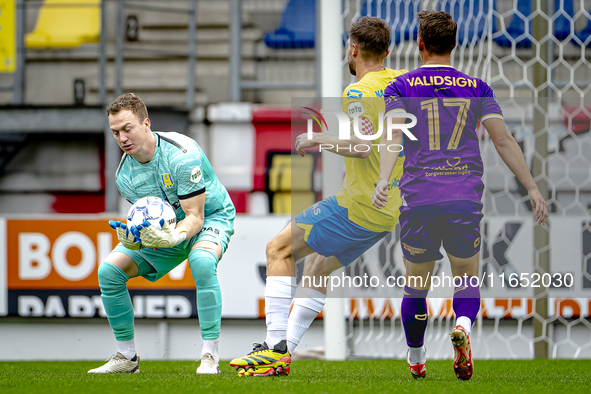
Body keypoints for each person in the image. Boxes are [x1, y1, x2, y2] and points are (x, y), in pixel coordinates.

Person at [372, 11, 548, 381]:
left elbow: (392, 136)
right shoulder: (478, 87)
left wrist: (383, 180)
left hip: (418, 198)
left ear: (419, 44)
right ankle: (464, 327)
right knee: (467, 276)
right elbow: (502, 140)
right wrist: (532, 188)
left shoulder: (400, 87)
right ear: (454, 45)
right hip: (462, 197)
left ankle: (417, 358)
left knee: (415, 285)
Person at [229, 16, 407, 377]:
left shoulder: (358, 92)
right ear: (387, 51)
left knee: (278, 249)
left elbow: (359, 148)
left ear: (353, 49)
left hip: (356, 203)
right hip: (387, 210)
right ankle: (284, 354)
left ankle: (272, 346)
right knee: (317, 265)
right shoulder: (400, 82)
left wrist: (317, 139)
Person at [88, 93, 235, 375]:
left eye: (127, 128)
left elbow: (195, 216)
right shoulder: (124, 177)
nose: (122, 137)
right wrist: (136, 237)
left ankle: (209, 356)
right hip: (170, 230)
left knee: (202, 262)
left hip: (211, 217)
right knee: (109, 271)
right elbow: (156, 219)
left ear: (146, 124)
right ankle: (127, 357)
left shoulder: (182, 155)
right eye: (115, 132)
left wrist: (174, 236)